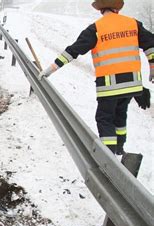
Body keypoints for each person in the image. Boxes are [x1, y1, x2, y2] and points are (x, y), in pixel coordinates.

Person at [39, 0, 154, 155]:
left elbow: (73, 51)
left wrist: (50, 69)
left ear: (100, 10)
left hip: (109, 87)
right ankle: (119, 149)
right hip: (132, 85)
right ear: (116, 9)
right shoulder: (133, 24)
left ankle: (109, 157)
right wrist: (152, 68)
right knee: (120, 114)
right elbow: (150, 44)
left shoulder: (96, 28)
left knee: (104, 118)